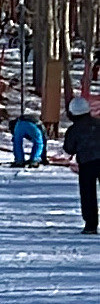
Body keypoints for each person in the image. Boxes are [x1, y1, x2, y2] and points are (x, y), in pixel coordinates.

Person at [64, 95, 100, 233]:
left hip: (87, 163)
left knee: (88, 194)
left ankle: (91, 225)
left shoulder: (73, 130)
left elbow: (69, 148)